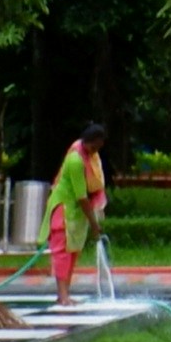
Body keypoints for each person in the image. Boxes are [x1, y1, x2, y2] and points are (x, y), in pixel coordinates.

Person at [44, 121, 109, 303]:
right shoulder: (75, 160)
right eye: (97, 145)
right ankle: (63, 296)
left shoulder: (88, 156)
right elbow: (81, 196)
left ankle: (65, 294)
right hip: (64, 210)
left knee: (73, 251)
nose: (98, 149)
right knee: (63, 253)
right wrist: (94, 224)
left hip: (76, 212)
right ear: (91, 142)